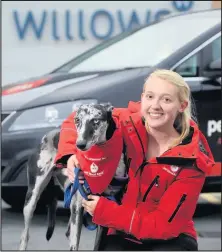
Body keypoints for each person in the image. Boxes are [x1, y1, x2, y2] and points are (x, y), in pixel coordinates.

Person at [54, 69, 215, 251]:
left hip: (170, 239)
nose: (155, 105)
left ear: (182, 106)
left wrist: (105, 211)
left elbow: (163, 226)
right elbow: (75, 120)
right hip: (121, 233)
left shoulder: (192, 160)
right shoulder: (127, 123)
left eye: (166, 99)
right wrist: (70, 155)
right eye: (150, 96)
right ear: (142, 98)